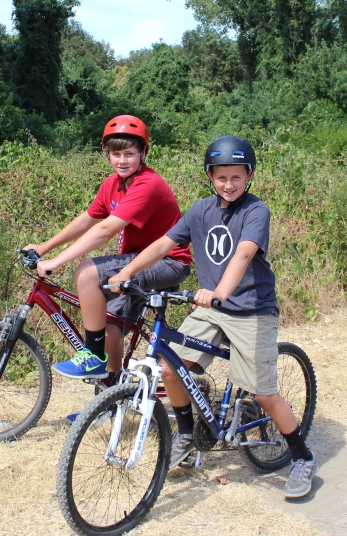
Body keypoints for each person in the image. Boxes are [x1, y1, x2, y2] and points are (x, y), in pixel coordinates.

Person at [109, 135, 317, 499]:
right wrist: (129, 272)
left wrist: (220, 292)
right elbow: (162, 244)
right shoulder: (200, 210)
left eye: (236, 177)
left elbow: (243, 255)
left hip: (250, 309)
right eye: (221, 177)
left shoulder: (256, 212)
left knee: (264, 395)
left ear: (249, 176)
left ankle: (302, 457)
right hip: (210, 309)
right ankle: (188, 436)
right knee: (169, 366)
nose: (229, 184)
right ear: (210, 176)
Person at [24, 115, 191, 381]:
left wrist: (56, 262)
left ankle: (93, 356)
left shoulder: (148, 184)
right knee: (110, 328)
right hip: (138, 260)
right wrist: (45, 247)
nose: (122, 161)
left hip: (168, 261)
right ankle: (111, 395)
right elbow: (87, 219)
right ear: (107, 155)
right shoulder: (112, 185)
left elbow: (105, 230)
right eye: (116, 154)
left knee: (86, 272)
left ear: (144, 153)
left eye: (129, 154)